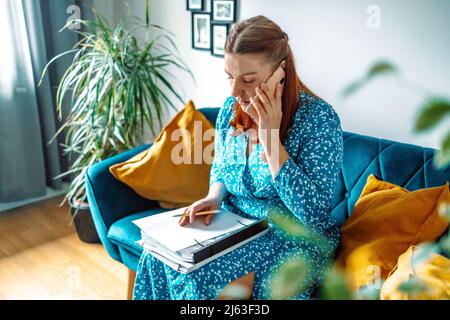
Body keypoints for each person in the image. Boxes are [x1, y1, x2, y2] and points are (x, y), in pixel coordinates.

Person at [133, 15, 344, 300]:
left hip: (293, 236)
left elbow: (314, 214)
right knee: (156, 258)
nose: (234, 91)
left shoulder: (318, 119)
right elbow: (221, 167)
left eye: (247, 79)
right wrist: (213, 197)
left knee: (200, 278)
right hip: (236, 225)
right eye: (230, 77)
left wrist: (270, 139)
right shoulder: (232, 108)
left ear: (281, 73)